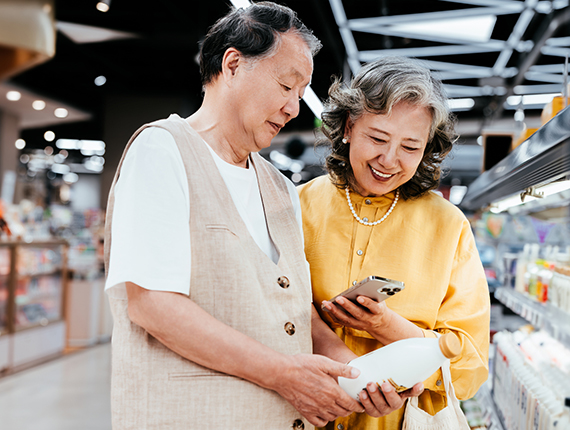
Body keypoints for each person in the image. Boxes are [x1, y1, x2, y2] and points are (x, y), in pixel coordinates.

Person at [103, 2, 415, 429]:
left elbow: (296, 310)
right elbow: (152, 304)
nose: (292, 107)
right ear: (233, 64)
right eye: (287, 86)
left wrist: (361, 376)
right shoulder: (162, 151)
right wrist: (284, 374)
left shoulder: (280, 188)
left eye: (299, 91)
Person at [298, 57, 490, 430]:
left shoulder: (448, 226)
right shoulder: (296, 206)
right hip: (299, 414)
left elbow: (470, 366)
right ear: (350, 127)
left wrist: (386, 326)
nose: (389, 160)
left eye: (410, 147)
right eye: (378, 138)